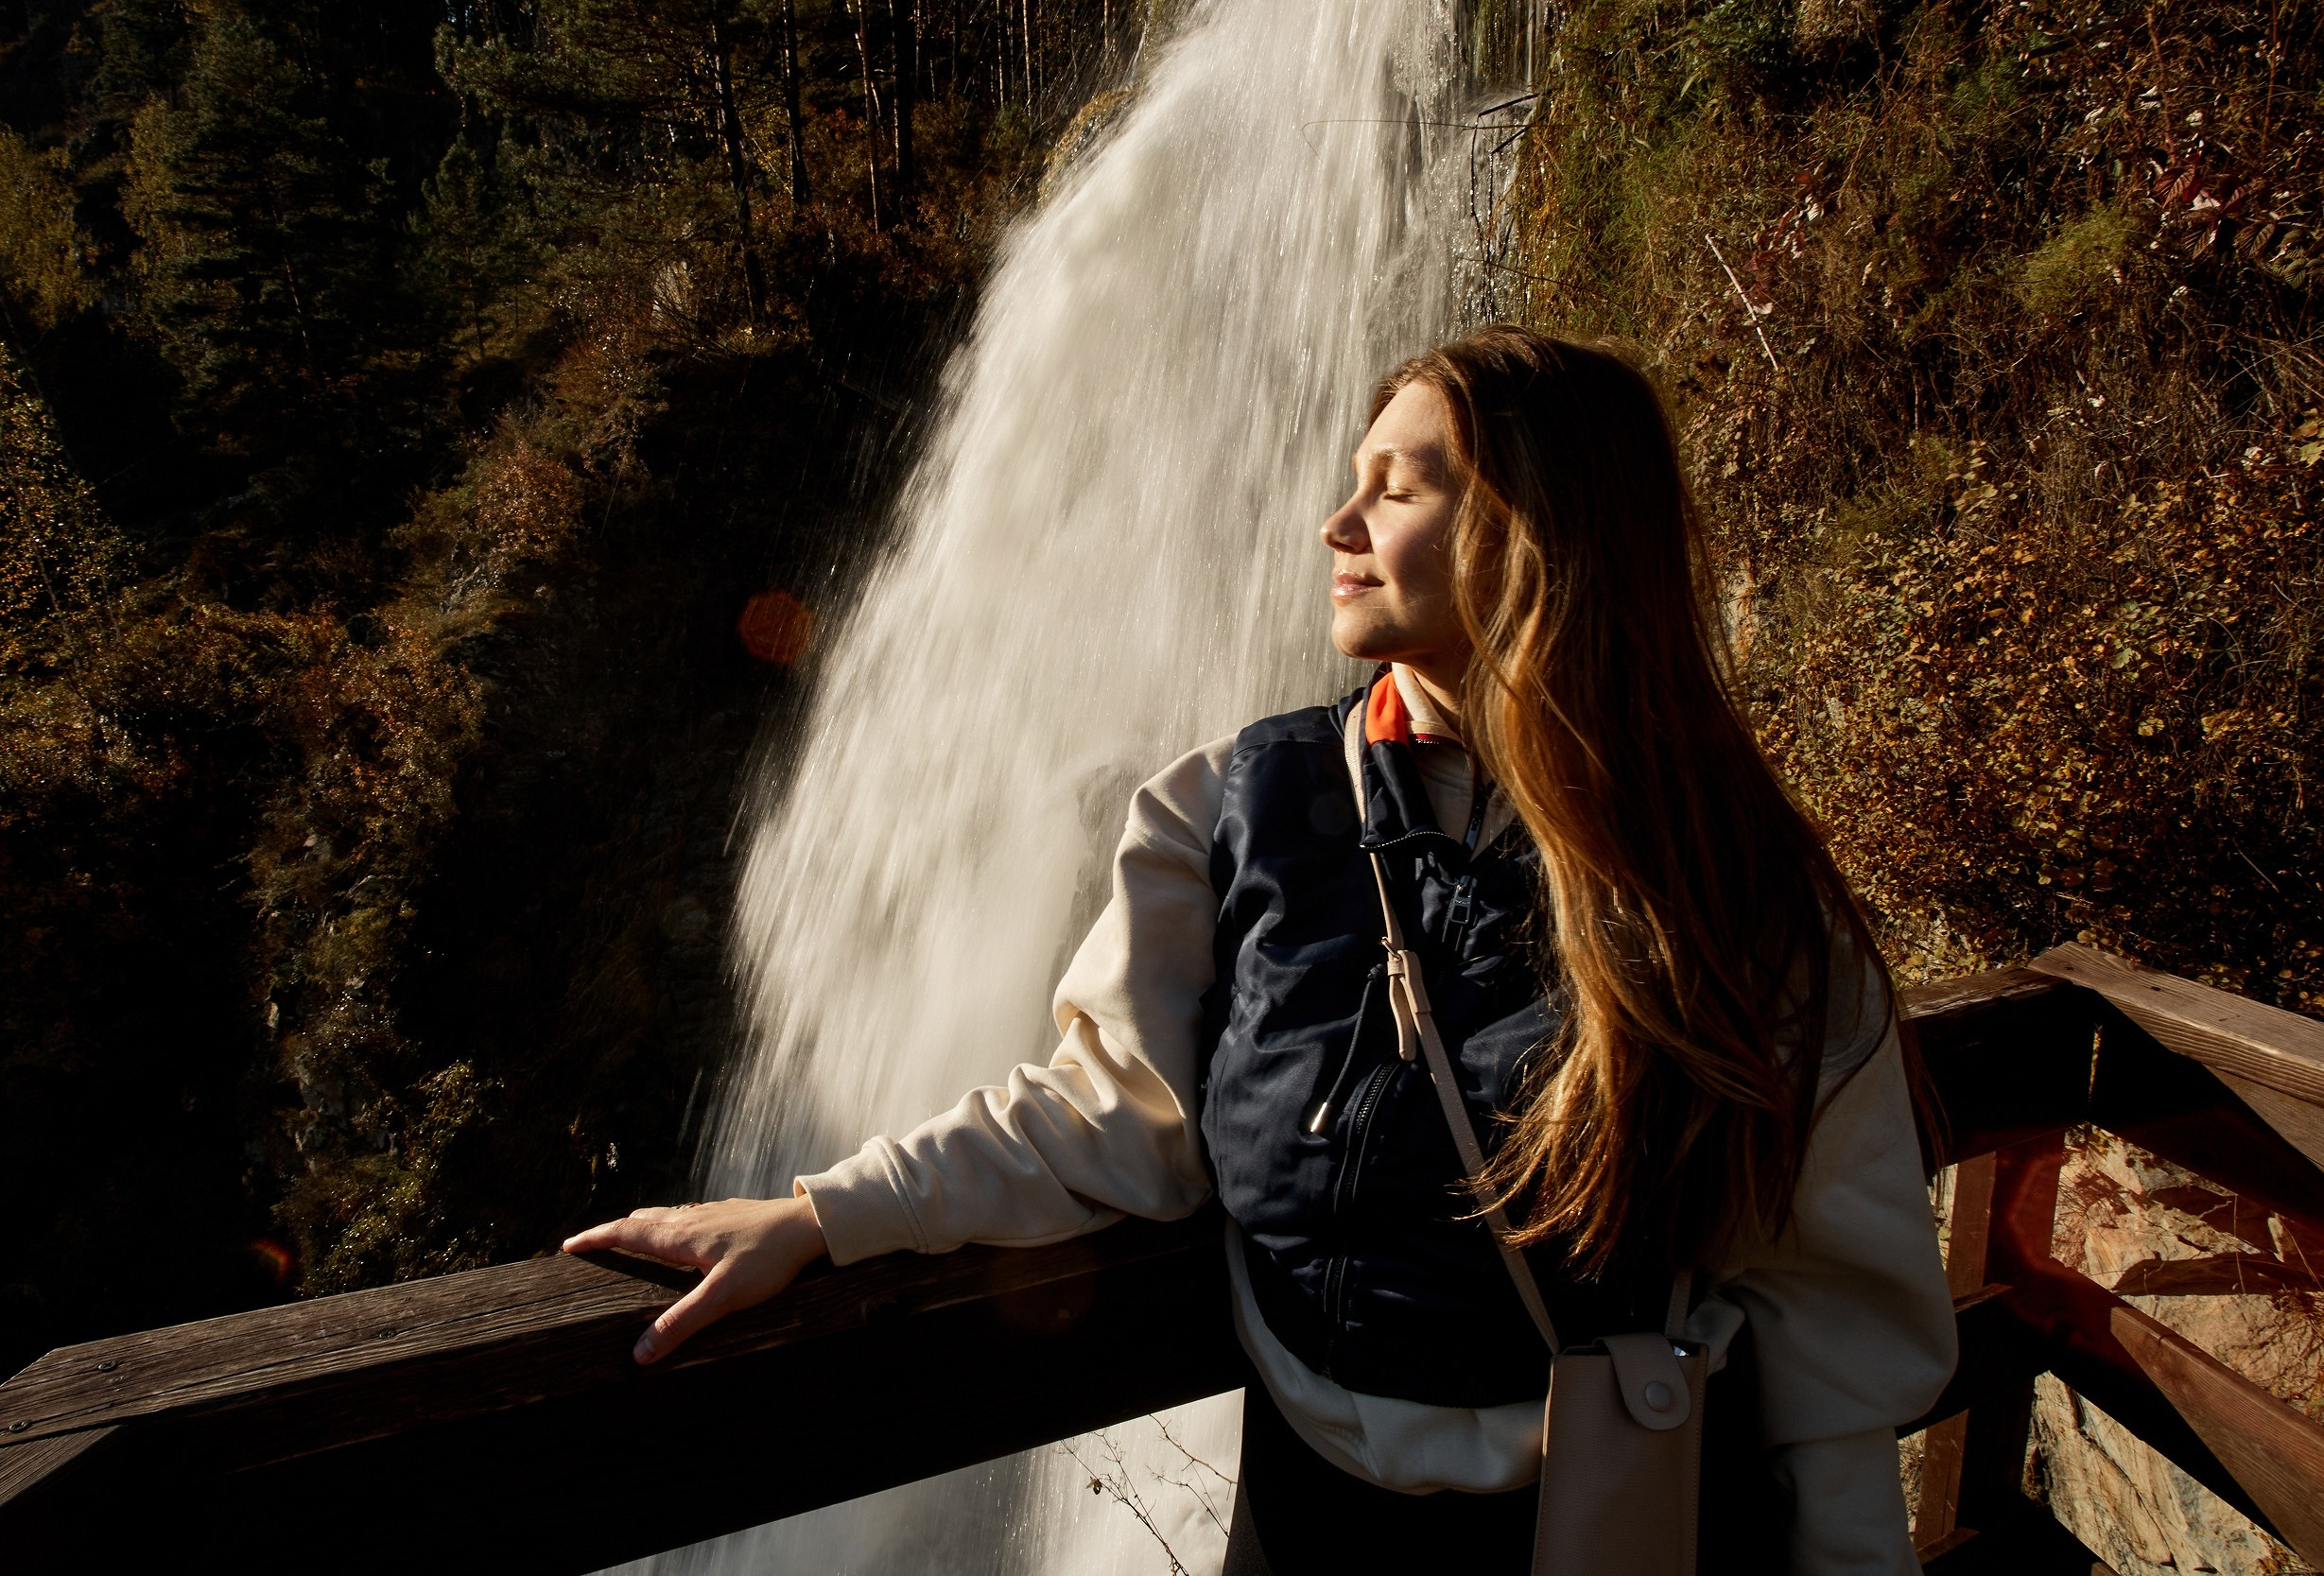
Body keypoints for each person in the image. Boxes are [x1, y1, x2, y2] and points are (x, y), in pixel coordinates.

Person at [563, 327, 1956, 1573]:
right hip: (1307, 1524)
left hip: (1619, 1521)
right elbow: (1110, 1113)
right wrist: (826, 1214)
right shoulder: (1232, 804)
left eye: (1399, 488)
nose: (1336, 523)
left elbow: (1825, 1317)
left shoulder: (1736, 889)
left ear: (1541, 530)